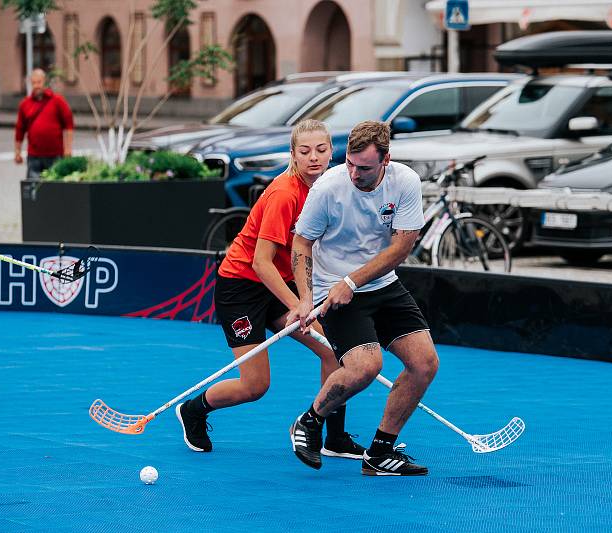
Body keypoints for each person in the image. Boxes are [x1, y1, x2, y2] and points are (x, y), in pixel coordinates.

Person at [175, 119, 364, 459]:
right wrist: (298, 304)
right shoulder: (284, 194)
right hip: (242, 287)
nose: (313, 158)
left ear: (332, 152)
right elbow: (261, 262)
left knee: (333, 352)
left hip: (281, 281)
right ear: (292, 154)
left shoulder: (328, 188)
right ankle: (194, 410)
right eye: (304, 151)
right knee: (255, 386)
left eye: (321, 150)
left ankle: (331, 437)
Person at [288, 120, 439, 475]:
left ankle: (381, 452)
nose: (355, 173)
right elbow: (301, 243)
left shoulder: (405, 182)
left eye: (365, 167)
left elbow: (402, 245)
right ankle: (309, 422)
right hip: (332, 289)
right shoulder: (327, 188)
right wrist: (306, 297)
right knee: (365, 367)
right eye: (350, 164)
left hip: (379, 285)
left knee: (425, 364)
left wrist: (353, 281)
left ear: (386, 159)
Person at [14, 68, 74, 180]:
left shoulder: (57, 101)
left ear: (45, 82)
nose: (36, 86)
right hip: (34, 156)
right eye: (34, 83)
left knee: (55, 188)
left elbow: (68, 124)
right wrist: (17, 152)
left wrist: (68, 148)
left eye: (39, 82)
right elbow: (20, 129)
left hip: (55, 155)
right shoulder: (25, 104)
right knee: (34, 189)